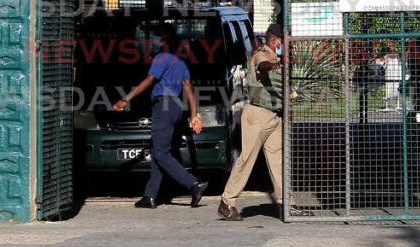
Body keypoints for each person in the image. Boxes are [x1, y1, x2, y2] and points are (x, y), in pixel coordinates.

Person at [217, 23, 312, 221]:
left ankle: (287, 203)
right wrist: (273, 65)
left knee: (279, 161)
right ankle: (227, 202)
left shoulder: (276, 56)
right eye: (283, 41)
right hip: (258, 115)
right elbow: (262, 66)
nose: (285, 45)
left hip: (274, 116)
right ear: (274, 39)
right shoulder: (261, 54)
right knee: (246, 159)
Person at [113, 23, 207, 209]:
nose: (154, 40)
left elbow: (150, 80)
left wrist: (125, 99)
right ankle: (150, 196)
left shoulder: (161, 57)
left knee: (161, 153)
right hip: (176, 108)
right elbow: (189, 89)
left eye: (157, 36)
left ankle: (194, 184)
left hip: (163, 106)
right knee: (159, 150)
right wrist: (194, 115)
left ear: (164, 40)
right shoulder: (181, 62)